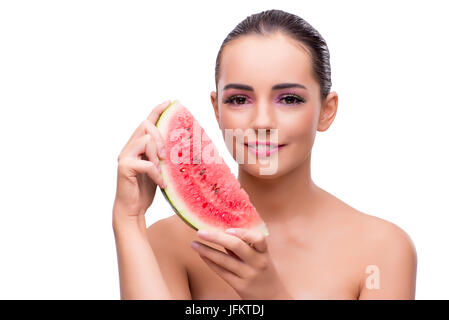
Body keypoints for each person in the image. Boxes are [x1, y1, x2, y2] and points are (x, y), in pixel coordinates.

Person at [112, 9, 417, 300]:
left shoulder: (384, 250)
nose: (261, 122)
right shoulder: (169, 243)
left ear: (327, 111)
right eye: (239, 99)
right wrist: (127, 220)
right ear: (216, 111)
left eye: (289, 99)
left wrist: (269, 294)